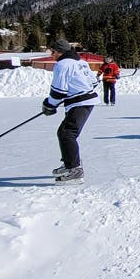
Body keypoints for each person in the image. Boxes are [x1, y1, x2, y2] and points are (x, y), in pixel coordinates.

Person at [42, 39, 100, 184]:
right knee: (65, 132)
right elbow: (93, 82)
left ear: (60, 51)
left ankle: (74, 169)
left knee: (67, 133)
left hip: (81, 102)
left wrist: (50, 105)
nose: (52, 55)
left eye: (53, 52)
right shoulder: (80, 62)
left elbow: (58, 90)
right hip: (84, 101)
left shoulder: (63, 64)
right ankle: (69, 163)